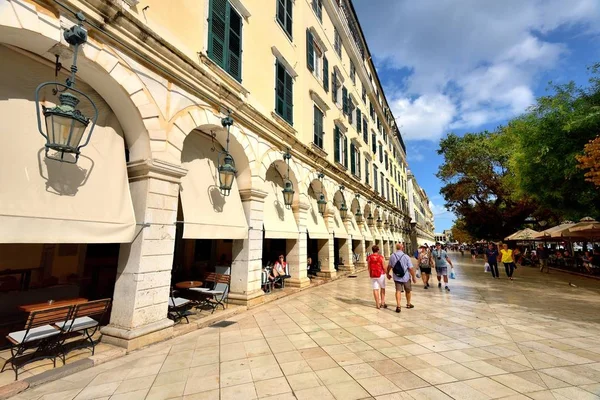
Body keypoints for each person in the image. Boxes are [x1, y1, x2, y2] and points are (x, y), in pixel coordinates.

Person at [386, 243, 416, 313]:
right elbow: (411, 268)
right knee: (408, 290)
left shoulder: (392, 256)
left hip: (397, 276)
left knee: (398, 290)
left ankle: (398, 306)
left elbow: (389, 266)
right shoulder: (406, 256)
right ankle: (408, 304)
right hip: (406, 276)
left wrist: (387, 274)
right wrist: (414, 277)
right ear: (402, 248)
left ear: (396, 248)